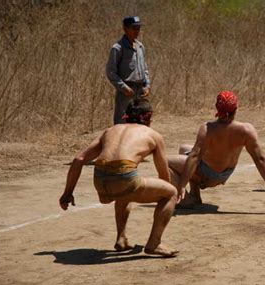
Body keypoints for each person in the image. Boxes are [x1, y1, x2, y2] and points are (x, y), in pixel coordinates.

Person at [59, 100, 178, 257]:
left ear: (126, 116)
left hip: (100, 180)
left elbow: (79, 159)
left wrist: (67, 193)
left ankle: (121, 239)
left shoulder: (110, 130)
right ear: (149, 118)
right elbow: (163, 175)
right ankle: (154, 243)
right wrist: (166, 201)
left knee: (127, 190)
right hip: (124, 178)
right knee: (171, 193)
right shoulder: (154, 135)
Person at [168, 91, 265, 207]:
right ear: (236, 109)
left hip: (207, 174)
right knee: (184, 148)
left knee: (164, 161)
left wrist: (182, 184)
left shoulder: (207, 129)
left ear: (217, 108)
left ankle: (186, 200)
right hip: (224, 174)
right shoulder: (246, 130)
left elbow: (195, 157)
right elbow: (260, 159)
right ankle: (195, 195)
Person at [106, 16, 151, 124]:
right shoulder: (117, 48)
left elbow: (144, 68)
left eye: (138, 28)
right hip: (126, 91)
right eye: (134, 28)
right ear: (125, 29)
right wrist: (123, 87)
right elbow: (111, 71)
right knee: (122, 120)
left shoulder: (140, 47)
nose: (137, 31)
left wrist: (147, 85)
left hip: (140, 90)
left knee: (141, 120)